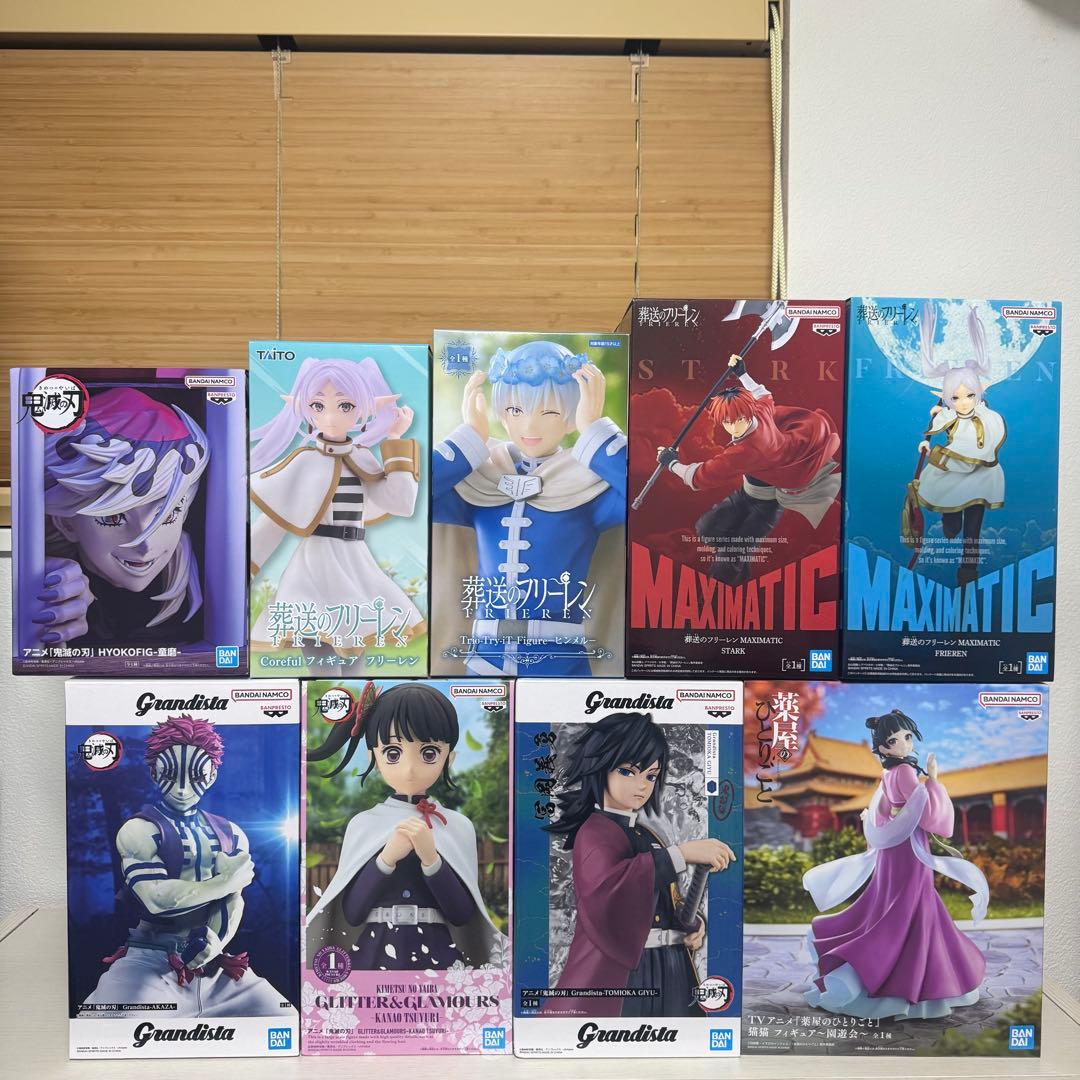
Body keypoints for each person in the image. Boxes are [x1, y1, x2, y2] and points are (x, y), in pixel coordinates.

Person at [431, 341, 626, 676]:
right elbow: (416, 496)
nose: (530, 426)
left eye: (548, 413)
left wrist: (595, 428)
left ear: (570, 417)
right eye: (516, 410)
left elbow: (651, 498)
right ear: (501, 414)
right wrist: (469, 438)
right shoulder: (482, 479)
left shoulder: (588, 487)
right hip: (484, 661)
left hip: (561, 664)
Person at [80, 716, 289, 1017]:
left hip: (213, 962)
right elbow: (156, 898)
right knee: (112, 1025)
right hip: (149, 960)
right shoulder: (140, 829)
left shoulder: (230, 833)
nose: (181, 788)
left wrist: (216, 940)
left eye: (195, 775)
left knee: (282, 1017)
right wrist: (227, 881)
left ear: (212, 775)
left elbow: (233, 901)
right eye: (170, 773)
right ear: (154, 772)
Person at [541, 711, 735, 1017]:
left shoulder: (646, 835)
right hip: (626, 972)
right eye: (627, 771)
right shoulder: (594, 831)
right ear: (599, 767)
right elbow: (608, 893)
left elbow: (662, 901)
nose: (642, 785)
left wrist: (693, 922)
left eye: (651, 775)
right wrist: (680, 854)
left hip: (669, 963)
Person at [802, 708, 988, 1020]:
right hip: (909, 850)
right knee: (910, 907)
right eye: (895, 740)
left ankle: (888, 975)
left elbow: (884, 811)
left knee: (895, 904)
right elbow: (928, 815)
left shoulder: (888, 774)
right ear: (883, 748)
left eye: (908, 737)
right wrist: (934, 781)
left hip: (893, 850)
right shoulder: (903, 772)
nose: (905, 743)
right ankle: (906, 981)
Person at [306, 682, 505, 970]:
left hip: (438, 957)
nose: (410, 769)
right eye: (393, 753)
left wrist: (431, 860)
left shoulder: (457, 825)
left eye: (429, 753)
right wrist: (386, 858)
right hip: (374, 954)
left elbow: (462, 914)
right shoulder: (363, 824)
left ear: (449, 758)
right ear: (374, 758)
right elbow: (352, 912)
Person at [249, 357, 424, 674]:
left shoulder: (363, 459)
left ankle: (350, 704)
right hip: (313, 567)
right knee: (321, 658)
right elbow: (275, 522)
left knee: (354, 655)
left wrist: (395, 440)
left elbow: (401, 503)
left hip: (355, 564)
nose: (330, 417)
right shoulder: (304, 462)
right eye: (318, 405)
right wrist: (246, 567)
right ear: (305, 409)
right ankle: (324, 701)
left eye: (345, 406)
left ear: (364, 409)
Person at [39, 387, 209, 646]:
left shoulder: (214, 568)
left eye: (169, 513)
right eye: (113, 518)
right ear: (65, 523)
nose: (145, 544)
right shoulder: (52, 579)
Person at [657, 354, 840, 585]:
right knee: (707, 530)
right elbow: (763, 394)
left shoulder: (748, 450)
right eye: (727, 421)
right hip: (746, 494)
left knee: (729, 557)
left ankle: (721, 589)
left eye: (738, 419)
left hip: (768, 505)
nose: (733, 427)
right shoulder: (760, 411)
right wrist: (743, 374)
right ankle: (737, 565)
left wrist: (671, 463)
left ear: (748, 413)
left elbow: (700, 477)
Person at [914, 303, 1006, 587]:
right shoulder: (947, 413)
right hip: (953, 469)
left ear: (978, 393)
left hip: (980, 474)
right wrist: (926, 442)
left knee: (973, 528)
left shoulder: (988, 415)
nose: (964, 402)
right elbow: (935, 426)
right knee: (952, 525)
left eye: (969, 396)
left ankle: (968, 572)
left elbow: (993, 435)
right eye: (956, 397)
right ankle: (949, 517)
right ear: (947, 398)